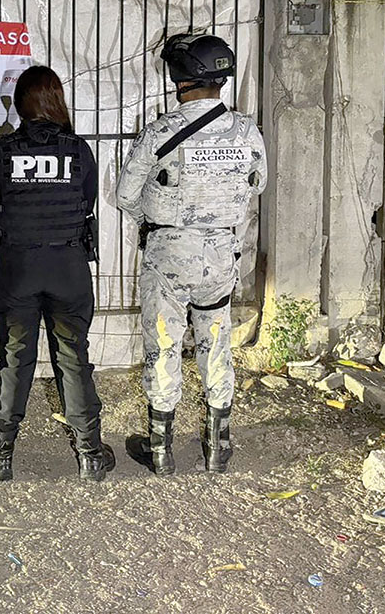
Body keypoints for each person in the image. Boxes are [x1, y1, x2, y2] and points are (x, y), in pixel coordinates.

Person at [116, 33, 267, 475]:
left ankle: (161, 450)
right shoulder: (247, 130)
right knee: (216, 340)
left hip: (169, 255)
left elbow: (125, 195)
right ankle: (218, 445)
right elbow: (257, 184)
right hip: (221, 255)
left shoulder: (162, 131)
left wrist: (160, 216)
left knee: (163, 343)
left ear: (180, 79)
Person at [0, 65, 115, 482]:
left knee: (15, 360)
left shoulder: (0, 151)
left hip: (18, 268)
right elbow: (87, 200)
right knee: (74, 359)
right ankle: (90, 454)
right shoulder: (78, 151)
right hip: (68, 268)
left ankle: (0, 457)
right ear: (57, 101)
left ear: (19, 104)